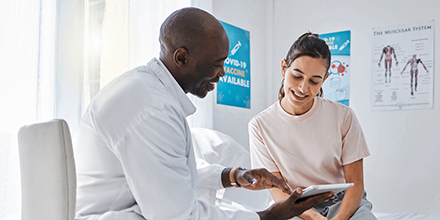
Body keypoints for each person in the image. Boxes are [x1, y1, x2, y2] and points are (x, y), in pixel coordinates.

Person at [73, 8, 333, 220]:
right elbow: (178, 216)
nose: (221, 74)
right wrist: (267, 217)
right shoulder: (150, 109)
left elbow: (175, 175)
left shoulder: (150, 93)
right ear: (182, 58)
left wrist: (234, 176)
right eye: (216, 64)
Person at [249, 32, 376, 220]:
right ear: (284, 69)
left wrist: (339, 218)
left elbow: (356, 183)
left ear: (324, 80)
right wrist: (314, 217)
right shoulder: (260, 125)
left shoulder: (343, 116)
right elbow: (276, 189)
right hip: (293, 206)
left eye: (314, 81)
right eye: (297, 76)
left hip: (342, 202)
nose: (303, 88)